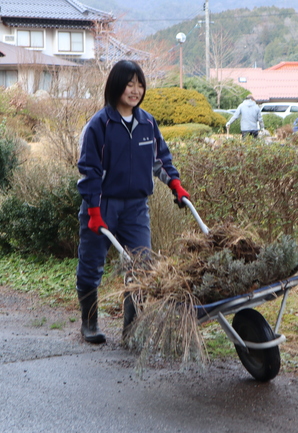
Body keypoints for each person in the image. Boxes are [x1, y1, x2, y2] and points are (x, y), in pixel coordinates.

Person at [75, 60, 190, 344]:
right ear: (116, 86)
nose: (135, 90)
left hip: (136, 206)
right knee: (91, 264)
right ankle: (89, 323)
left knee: (142, 265)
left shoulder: (147, 123)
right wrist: (92, 210)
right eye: (129, 84)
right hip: (102, 206)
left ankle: (132, 329)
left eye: (139, 84)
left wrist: (174, 184)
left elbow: (161, 159)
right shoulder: (99, 125)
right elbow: (89, 170)